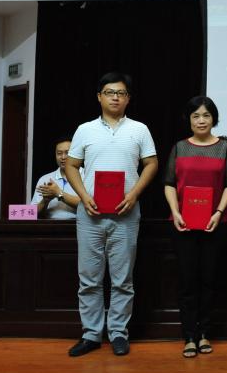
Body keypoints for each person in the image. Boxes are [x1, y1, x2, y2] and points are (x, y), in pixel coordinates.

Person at [64, 72, 158, 358]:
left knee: (122, 279)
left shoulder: (139, 129)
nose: (115, 97)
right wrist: (84, 196)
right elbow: (71, 166)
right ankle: (91, 334)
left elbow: (151, 164)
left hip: (126, 212)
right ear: (99, 97)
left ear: (128, 98)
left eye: (121, 93)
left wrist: (134, 194)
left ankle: (118, 332)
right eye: (109, 92)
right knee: (89, 279)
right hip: (90, 213)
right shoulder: (85, 129)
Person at [163, 96, 227, 358]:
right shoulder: (180, 147)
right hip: (183, 223)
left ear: (214, 118)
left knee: (209, 279)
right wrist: (175, 212)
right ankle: (188, 336)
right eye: (196, 116)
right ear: (189, 120)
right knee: (187, 281)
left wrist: (218, 212)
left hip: (215, 223)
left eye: (206, 115)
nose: (201, 120)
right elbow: (169, 183)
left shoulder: (224, 147)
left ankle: (205, 333)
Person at [30, 137, 80, 219]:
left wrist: (58, 193)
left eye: (67, 153)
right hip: (51, 225)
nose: (63, 157)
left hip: (77, 225)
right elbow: (31, 213)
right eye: (59, 153)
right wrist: (44, 201)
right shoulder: (45, 179)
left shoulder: (86, 175)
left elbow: (90, 206)